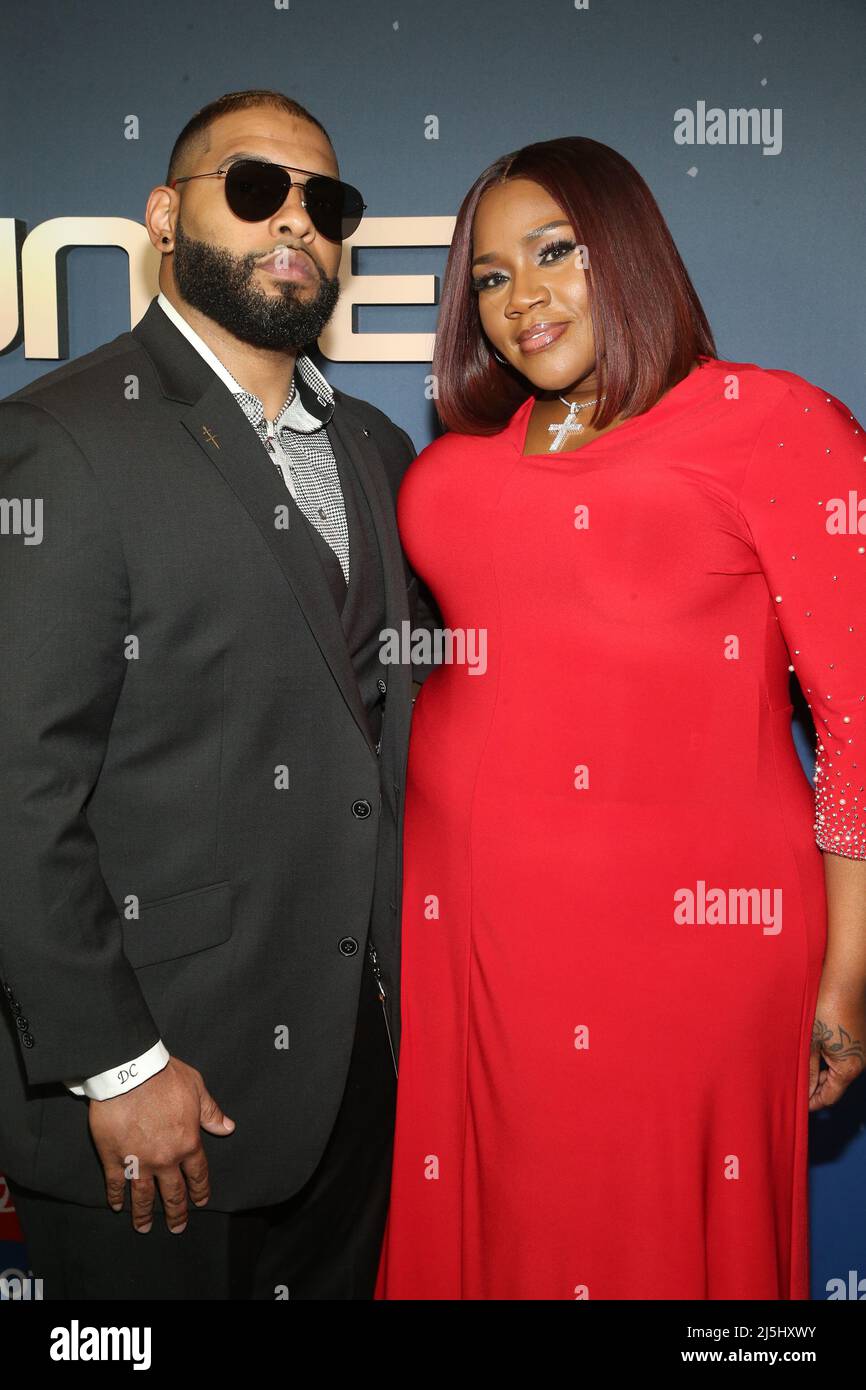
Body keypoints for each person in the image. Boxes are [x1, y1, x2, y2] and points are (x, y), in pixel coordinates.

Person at [375, 135, 866, 1300]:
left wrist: (847, 973)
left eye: (556, 252)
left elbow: (856, 723)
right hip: (470, 926)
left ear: (628, 250)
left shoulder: (773, 424)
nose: (522, 297)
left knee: (648, 1242)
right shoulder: (455, 463)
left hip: (688, 935)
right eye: (489, 276)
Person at [0, 87, 438, 1300]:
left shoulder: (376, 451)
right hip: (160, 1095)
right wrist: (116, 1064)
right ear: (162, 214)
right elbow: (15, 787)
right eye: (254, 189)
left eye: (325, 202)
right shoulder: (63, 440)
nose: (294, 220)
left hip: (355, 1070)